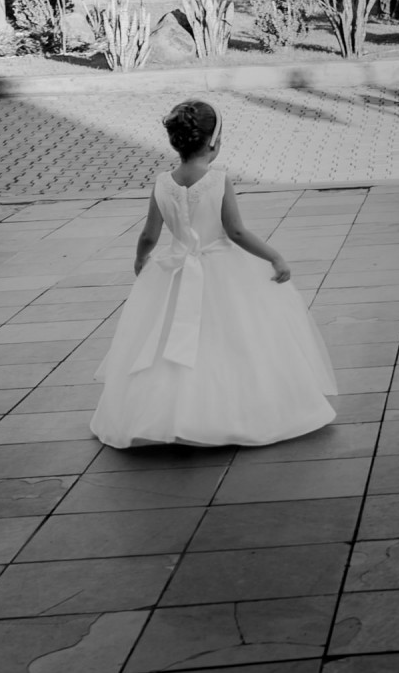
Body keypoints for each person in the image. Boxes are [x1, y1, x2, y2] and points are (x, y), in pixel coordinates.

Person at [90, 101, 337, 449]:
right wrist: (274, 256)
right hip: (222, 270)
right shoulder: (218, 181)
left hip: (174, 269)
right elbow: (235, 232)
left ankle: (164, 414)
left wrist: (140, 258)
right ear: (214, 143)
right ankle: (233, 410)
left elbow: (149, 234)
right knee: (232, 338)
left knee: (166, 339)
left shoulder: (163, 183)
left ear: (176, 142)